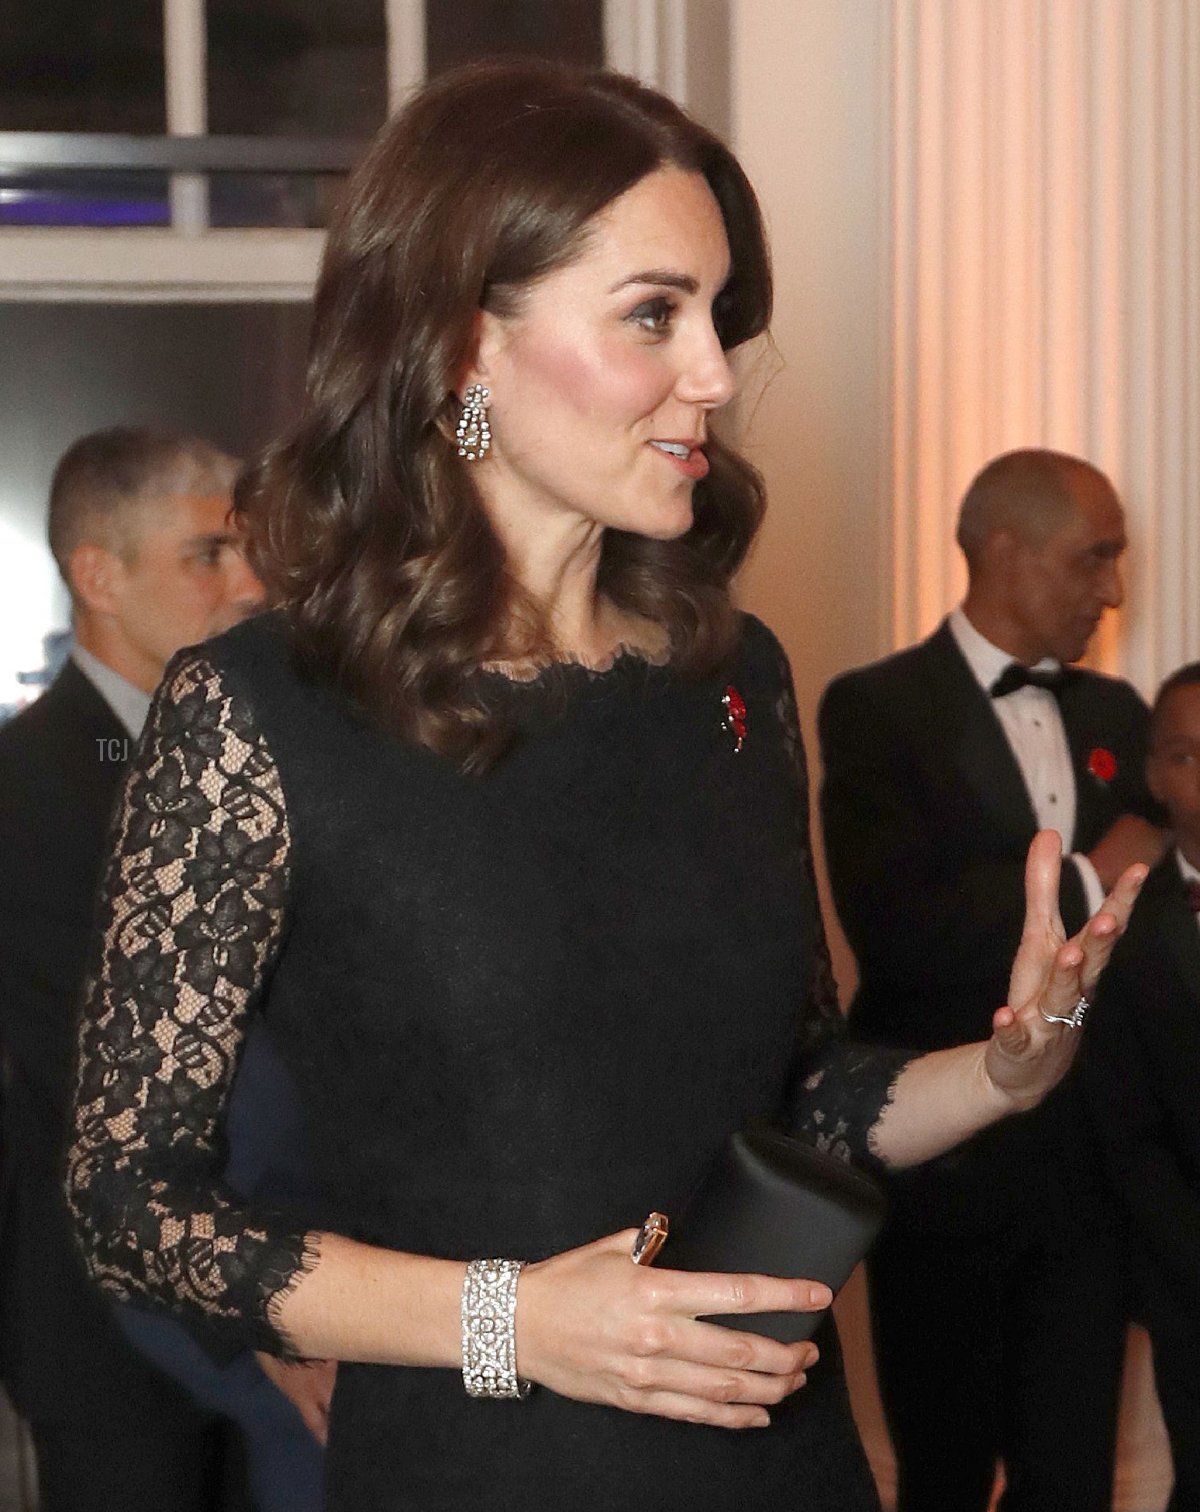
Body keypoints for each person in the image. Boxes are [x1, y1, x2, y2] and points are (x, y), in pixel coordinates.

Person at [64, 65, 1145, 1512]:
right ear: (465, 348)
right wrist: (512, 1323)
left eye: (714, 313)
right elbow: (128, 1204)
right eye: (653, 314)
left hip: (788, 1469)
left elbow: (798, 1098)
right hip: (483, 1470)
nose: (714, 370)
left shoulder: (731, 680)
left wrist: (1003, 1072)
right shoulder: (257, 715)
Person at [818, 448, 1169, 1512]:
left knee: (1071, 1476)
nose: (1111, 588)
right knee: (944, 1471)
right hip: (944, 1169)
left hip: (1089, 1174)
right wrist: (1086, 873)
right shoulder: (875, 708)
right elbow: (900, 928)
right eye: (1093, 558)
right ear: (1002, 551)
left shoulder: (1118, 712)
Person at [0, 426, 323, 1512]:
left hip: (283, 1296)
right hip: (115, 1334)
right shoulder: (20, 794)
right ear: (98, 575)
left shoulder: (264, 756)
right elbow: (97, 1082)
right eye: (207, 556)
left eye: (247, 552)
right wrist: (255, 1316)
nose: (249, 583)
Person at [1086, 663, 1200, 1512]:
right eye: (1186, 755)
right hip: (1189, 1272)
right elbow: (1127, 1127)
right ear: (1155, 773)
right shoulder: (1127, 926)